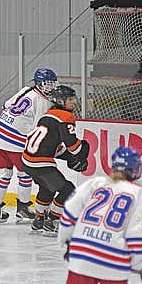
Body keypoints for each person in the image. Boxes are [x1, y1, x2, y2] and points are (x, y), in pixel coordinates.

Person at [58, 146, 142, 284]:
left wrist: (68, 242)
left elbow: (69, 212)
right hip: (114, 261)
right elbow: (138, 236)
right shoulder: (140, 194)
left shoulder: (94, 183)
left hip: (82, 255)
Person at [0, 68, 58, 224]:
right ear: (39, 84)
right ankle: (22, 210)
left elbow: (6, 105)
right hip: (16, 142)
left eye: (52, 84)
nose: (51, 87)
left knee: (2, 175)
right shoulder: (43, 101)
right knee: (24, 175)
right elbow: (38, 128)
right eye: (47, 84)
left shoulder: (25, 90)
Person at [21, 85, 89, 236]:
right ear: (60, 101)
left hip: (27, 161)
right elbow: (74, 147)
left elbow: (51, 146)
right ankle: (51, 220)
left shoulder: (47, 115)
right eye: (70, 99)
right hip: (40, 163)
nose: (73, 102)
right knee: (69, 190)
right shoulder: (66, 117)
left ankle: (39, 220)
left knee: (47, 188)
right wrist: (83, 152)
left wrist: (69, 158)